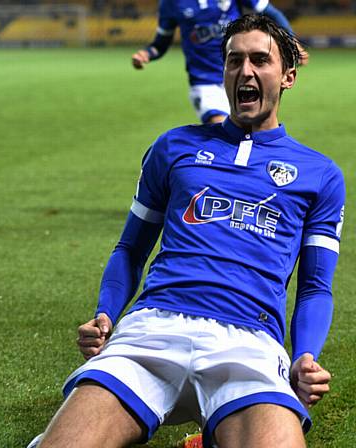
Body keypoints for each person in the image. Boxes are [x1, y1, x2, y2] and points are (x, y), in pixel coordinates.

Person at [30, 14, 344, 448]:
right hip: (152, 330)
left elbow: (314, 286)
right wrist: (106, 312)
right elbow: (130, 248)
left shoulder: (320, 174)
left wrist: (306, 357)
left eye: (259, 60)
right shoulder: (173, 147)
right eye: (234, 61)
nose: (245, 71)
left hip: (249, 345)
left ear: (288, 75)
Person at [131, 0, 304, 124]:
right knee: (221, 129)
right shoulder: (171, 3)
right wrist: (147, 54)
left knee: (251, 129)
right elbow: (160, 44)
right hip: (204, 82)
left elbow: (271, 13)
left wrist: (292, 43)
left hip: (241, 76)